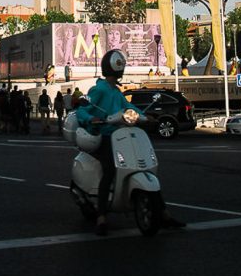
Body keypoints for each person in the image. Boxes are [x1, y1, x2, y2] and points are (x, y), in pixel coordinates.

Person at [75, 50, 185, 236]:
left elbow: (130, 108)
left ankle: (163, 213)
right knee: (110, 169)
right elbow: (83, 109)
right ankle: (101, 216)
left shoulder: (116, 92)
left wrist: (145, 116)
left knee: (145, 166)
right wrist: (91, 119)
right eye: (119, 65)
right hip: (106, 135)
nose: (121, 68)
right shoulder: (99, 90)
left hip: (122, 134)